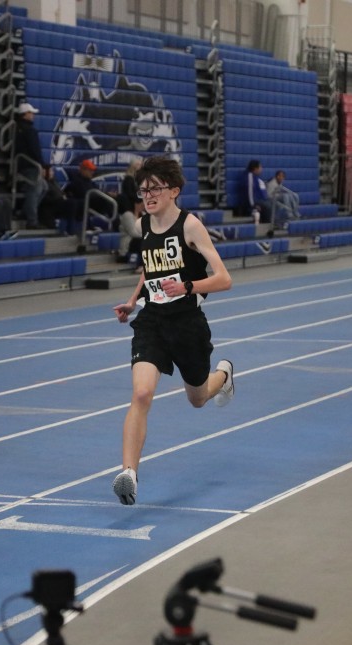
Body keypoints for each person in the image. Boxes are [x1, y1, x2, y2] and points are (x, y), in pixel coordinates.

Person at [111, 156, 235, 505]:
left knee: (198, 398)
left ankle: (224, 376)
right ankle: (129, 474)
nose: (148, 195)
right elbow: (149, 269)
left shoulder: (190, 226)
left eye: (155, 189)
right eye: (143, 190)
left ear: (174, 191)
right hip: (152, 321)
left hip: (187, 324)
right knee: (141, 394)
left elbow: (224, 278)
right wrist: (133, 300)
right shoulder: (144, 224)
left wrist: (188, 286)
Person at [13, 102, 47, 229]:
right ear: (25, 114)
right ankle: (32, 220)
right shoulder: (30, 130)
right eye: (31, 113)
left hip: (23, 164)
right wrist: (42, 165)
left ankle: (24, 212)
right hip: (30, 166)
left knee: (44, 188)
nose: (33, 115)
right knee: (35, 190)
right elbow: (35, 149)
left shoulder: (18, 128)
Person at [115, 157, 144, 263]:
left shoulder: (135, 180)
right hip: (127, 210)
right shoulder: (129, 179)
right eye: (138, 165)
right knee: (133, 234)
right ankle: (123, 254)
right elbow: (131, 194)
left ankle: (124, 254)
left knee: (128, 234)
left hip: (132, 210)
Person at [243, 160, 273, 225]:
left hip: (261, 200)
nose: (261, 169)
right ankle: (268, 224)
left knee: (276, 201)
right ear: (255, 169)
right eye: (260, 167)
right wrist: (253, 206)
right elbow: (250, 194)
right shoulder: (250, 177)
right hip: (255, 202)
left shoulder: (256, 177)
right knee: (267, 205)